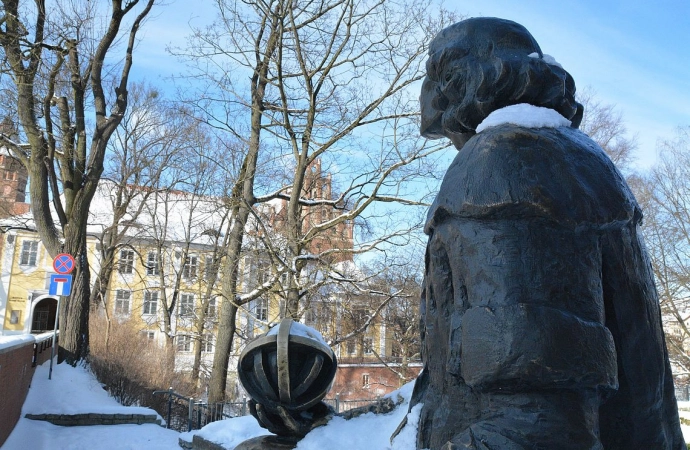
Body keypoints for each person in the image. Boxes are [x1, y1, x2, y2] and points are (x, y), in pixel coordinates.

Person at [408, 17, 685, 449]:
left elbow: (536, 424)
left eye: (429, 73)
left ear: (456, 81)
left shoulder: (501, 165)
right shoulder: (580, 158)